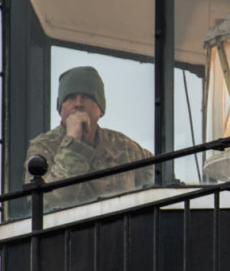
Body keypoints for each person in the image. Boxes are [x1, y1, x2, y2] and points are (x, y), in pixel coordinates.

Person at [26, 66, 153, 208]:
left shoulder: (123, 147)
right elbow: (50, 203)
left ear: (101, 109)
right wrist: (73, 143)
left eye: (87, 97)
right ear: (61, 108)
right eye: (70, 98)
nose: (78, 104)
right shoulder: (43, 147)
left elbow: (162, 177)